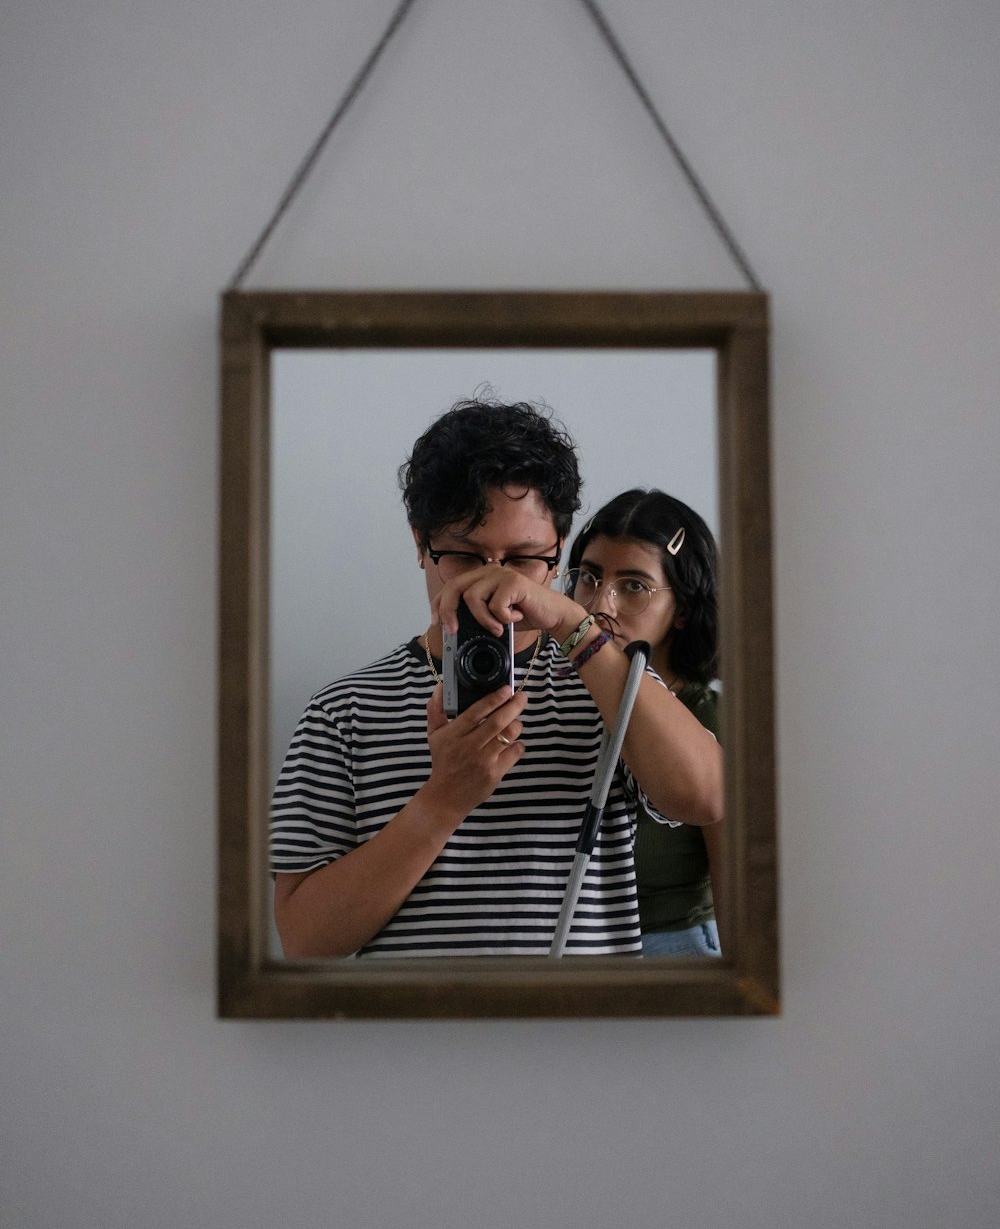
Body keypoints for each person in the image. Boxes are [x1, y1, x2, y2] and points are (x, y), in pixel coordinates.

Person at [270, 396, 722, 959]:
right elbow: (305, 941)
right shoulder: (343, 711)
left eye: (525, 559)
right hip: (406, 1044)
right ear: (420, 545)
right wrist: (442, 801)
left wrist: (572, 623)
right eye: (465, 555)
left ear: (557, 558)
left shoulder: (605, 682)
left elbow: (704, 798)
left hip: (584, 1040)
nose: (495, 581)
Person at [565, 489, 724, 957]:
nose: (601, 606)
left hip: (672, 949)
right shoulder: (554, 702)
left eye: (633, 586)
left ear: (684, 609)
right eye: (589, 578)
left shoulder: (706, 720)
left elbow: (737, 885)